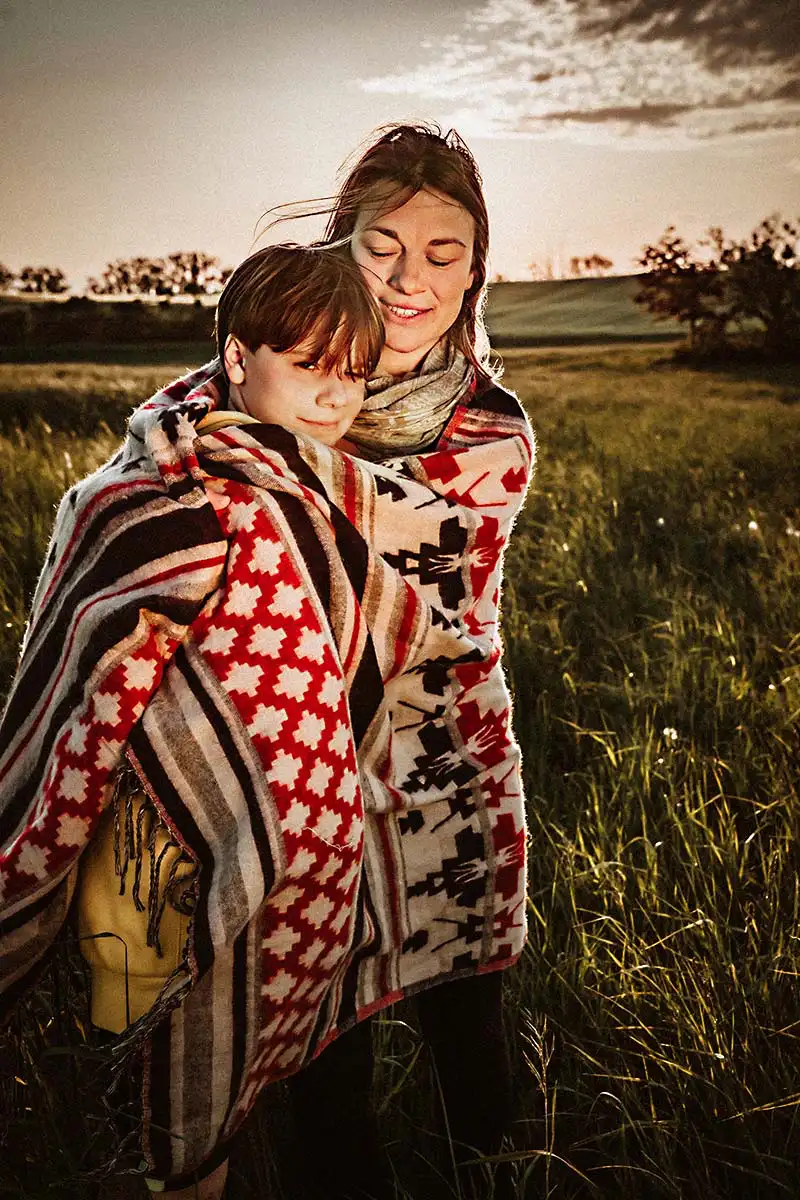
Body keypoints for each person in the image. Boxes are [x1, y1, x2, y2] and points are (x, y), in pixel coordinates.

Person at [0, 124, 534, 1200]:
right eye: (382, 246)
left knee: (464, 1018)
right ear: (341, 243)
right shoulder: (230, 386)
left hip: (436, 755)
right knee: (319, 1041)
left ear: (475, 267)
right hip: (288, 763)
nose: (408, 279)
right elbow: (140, 501)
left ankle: (513, 1173)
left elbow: (427, 588)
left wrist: (279, 490)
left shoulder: (486, 429)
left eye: (443, 252)